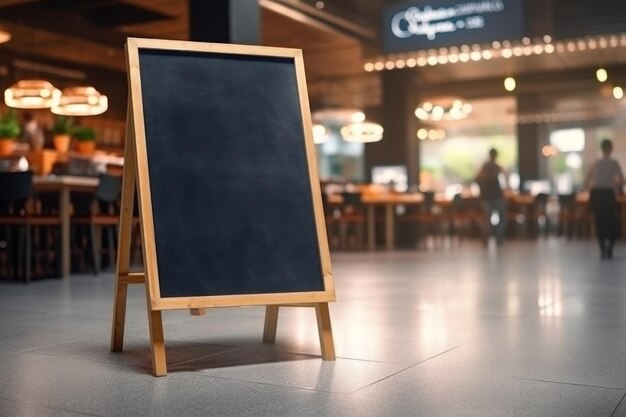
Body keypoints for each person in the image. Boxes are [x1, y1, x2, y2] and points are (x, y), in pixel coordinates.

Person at [584, 138, 624, 259]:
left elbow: (586, 182)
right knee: (611, 221)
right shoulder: (614, 163)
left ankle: (602, 248)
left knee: (599, 221)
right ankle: (609, 247)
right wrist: (616, 186)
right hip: (607, 194)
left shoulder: (595, 163)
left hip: (596, 194)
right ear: (611, 149)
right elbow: (622, 180)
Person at [475, 148, 508, 246]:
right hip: (491, 197)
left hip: (492, 197)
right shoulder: (491, 167)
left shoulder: (492, 167)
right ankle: (494, 238)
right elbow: (506, 178)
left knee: (490, 219)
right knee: (490, 219)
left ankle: (494, 238)